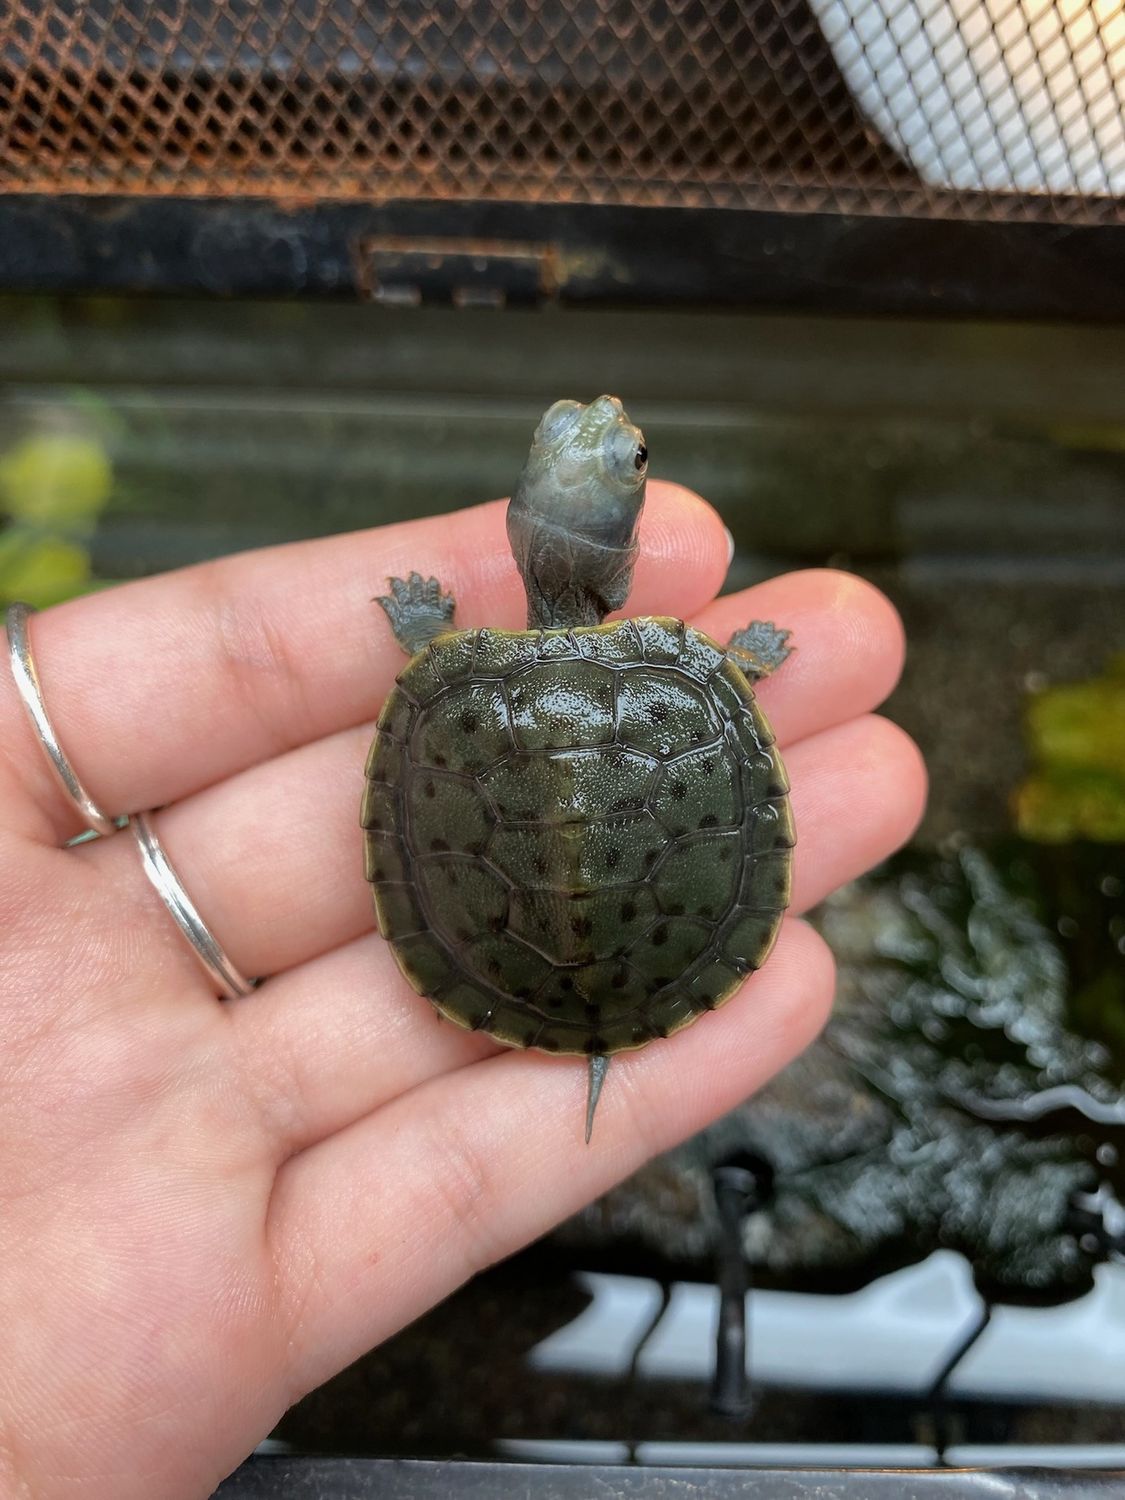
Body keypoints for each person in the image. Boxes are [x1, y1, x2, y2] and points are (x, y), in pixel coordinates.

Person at [0, 482, 925, 1499]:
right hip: (669, 923)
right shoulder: (685, 674)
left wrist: (423, 629)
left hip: (497, 946)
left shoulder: (446, 672)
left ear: (526, 539)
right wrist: (735, 666)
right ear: (614, 562)